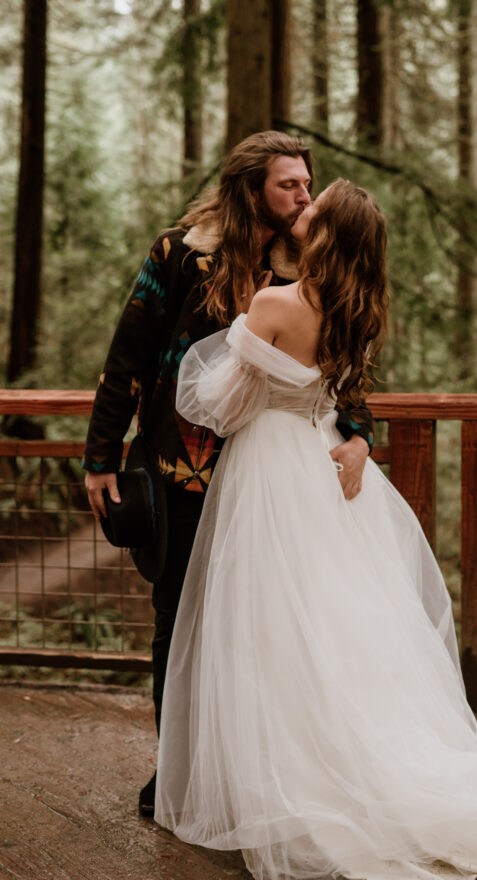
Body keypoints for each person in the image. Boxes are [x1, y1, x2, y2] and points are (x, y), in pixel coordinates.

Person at [154, 180, 477, 880]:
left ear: (327, 237)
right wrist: (346, 433)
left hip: (271, 466)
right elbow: (339, 393)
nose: (300, 216)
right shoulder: (358, 311)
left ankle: (286, 779)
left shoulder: (275, 303)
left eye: (311, 214)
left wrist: (230, 355)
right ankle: (346, 761)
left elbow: (222, 407)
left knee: (270, 625)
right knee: (339, 622)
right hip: (326, 463)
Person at [82, 133, 374, 817]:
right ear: (251, 189)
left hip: (277, 483)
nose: (304, 195)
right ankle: (179, 773)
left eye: (307, 184)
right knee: (177, 622)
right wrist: (100, 457)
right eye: (289, 186)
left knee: (268, 628)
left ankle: (260, 777)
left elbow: (337, 362)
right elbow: (129, 354)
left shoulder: (307, 260)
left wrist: (359, 436)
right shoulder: (181, 252)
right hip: (184, 473)